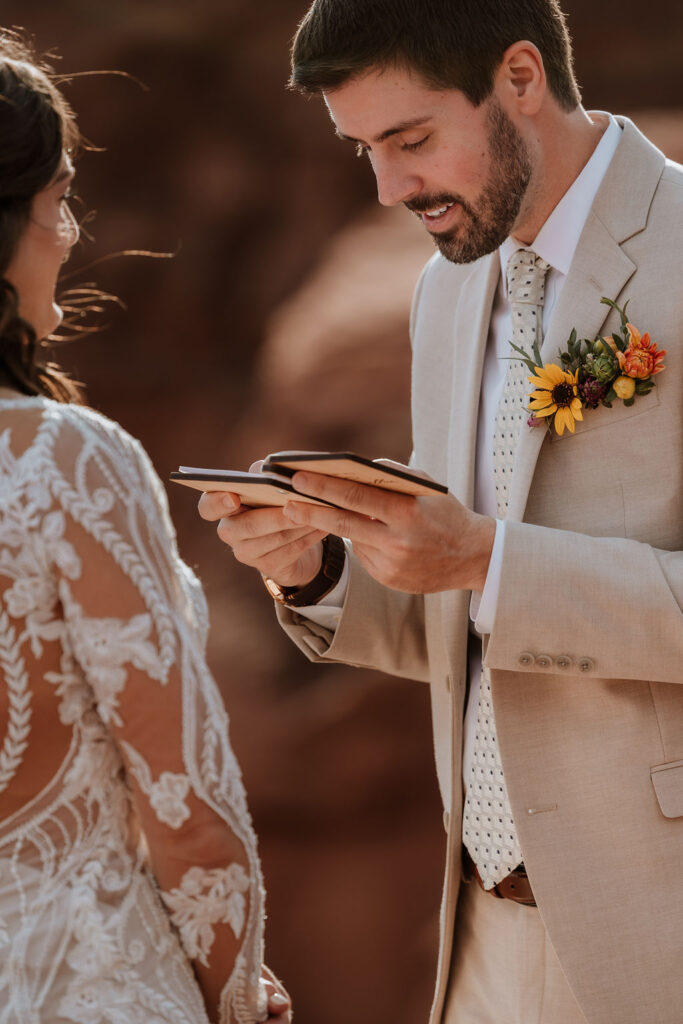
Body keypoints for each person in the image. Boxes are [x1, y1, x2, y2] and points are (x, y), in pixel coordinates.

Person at [198, 1, 682, 1022]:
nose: (387, 188)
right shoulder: (445, 294)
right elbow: (462, 615)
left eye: (410, 140)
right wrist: (317, 572)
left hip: (656, 923)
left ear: (518, 78)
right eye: (363, 149)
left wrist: (486, 561)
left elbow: (485, 570)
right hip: (476, 937)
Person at [0, 34, 292, 1024]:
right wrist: (236, 992)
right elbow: (189, 817)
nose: (71, 232)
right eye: (56, 200)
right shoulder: (60, 462)